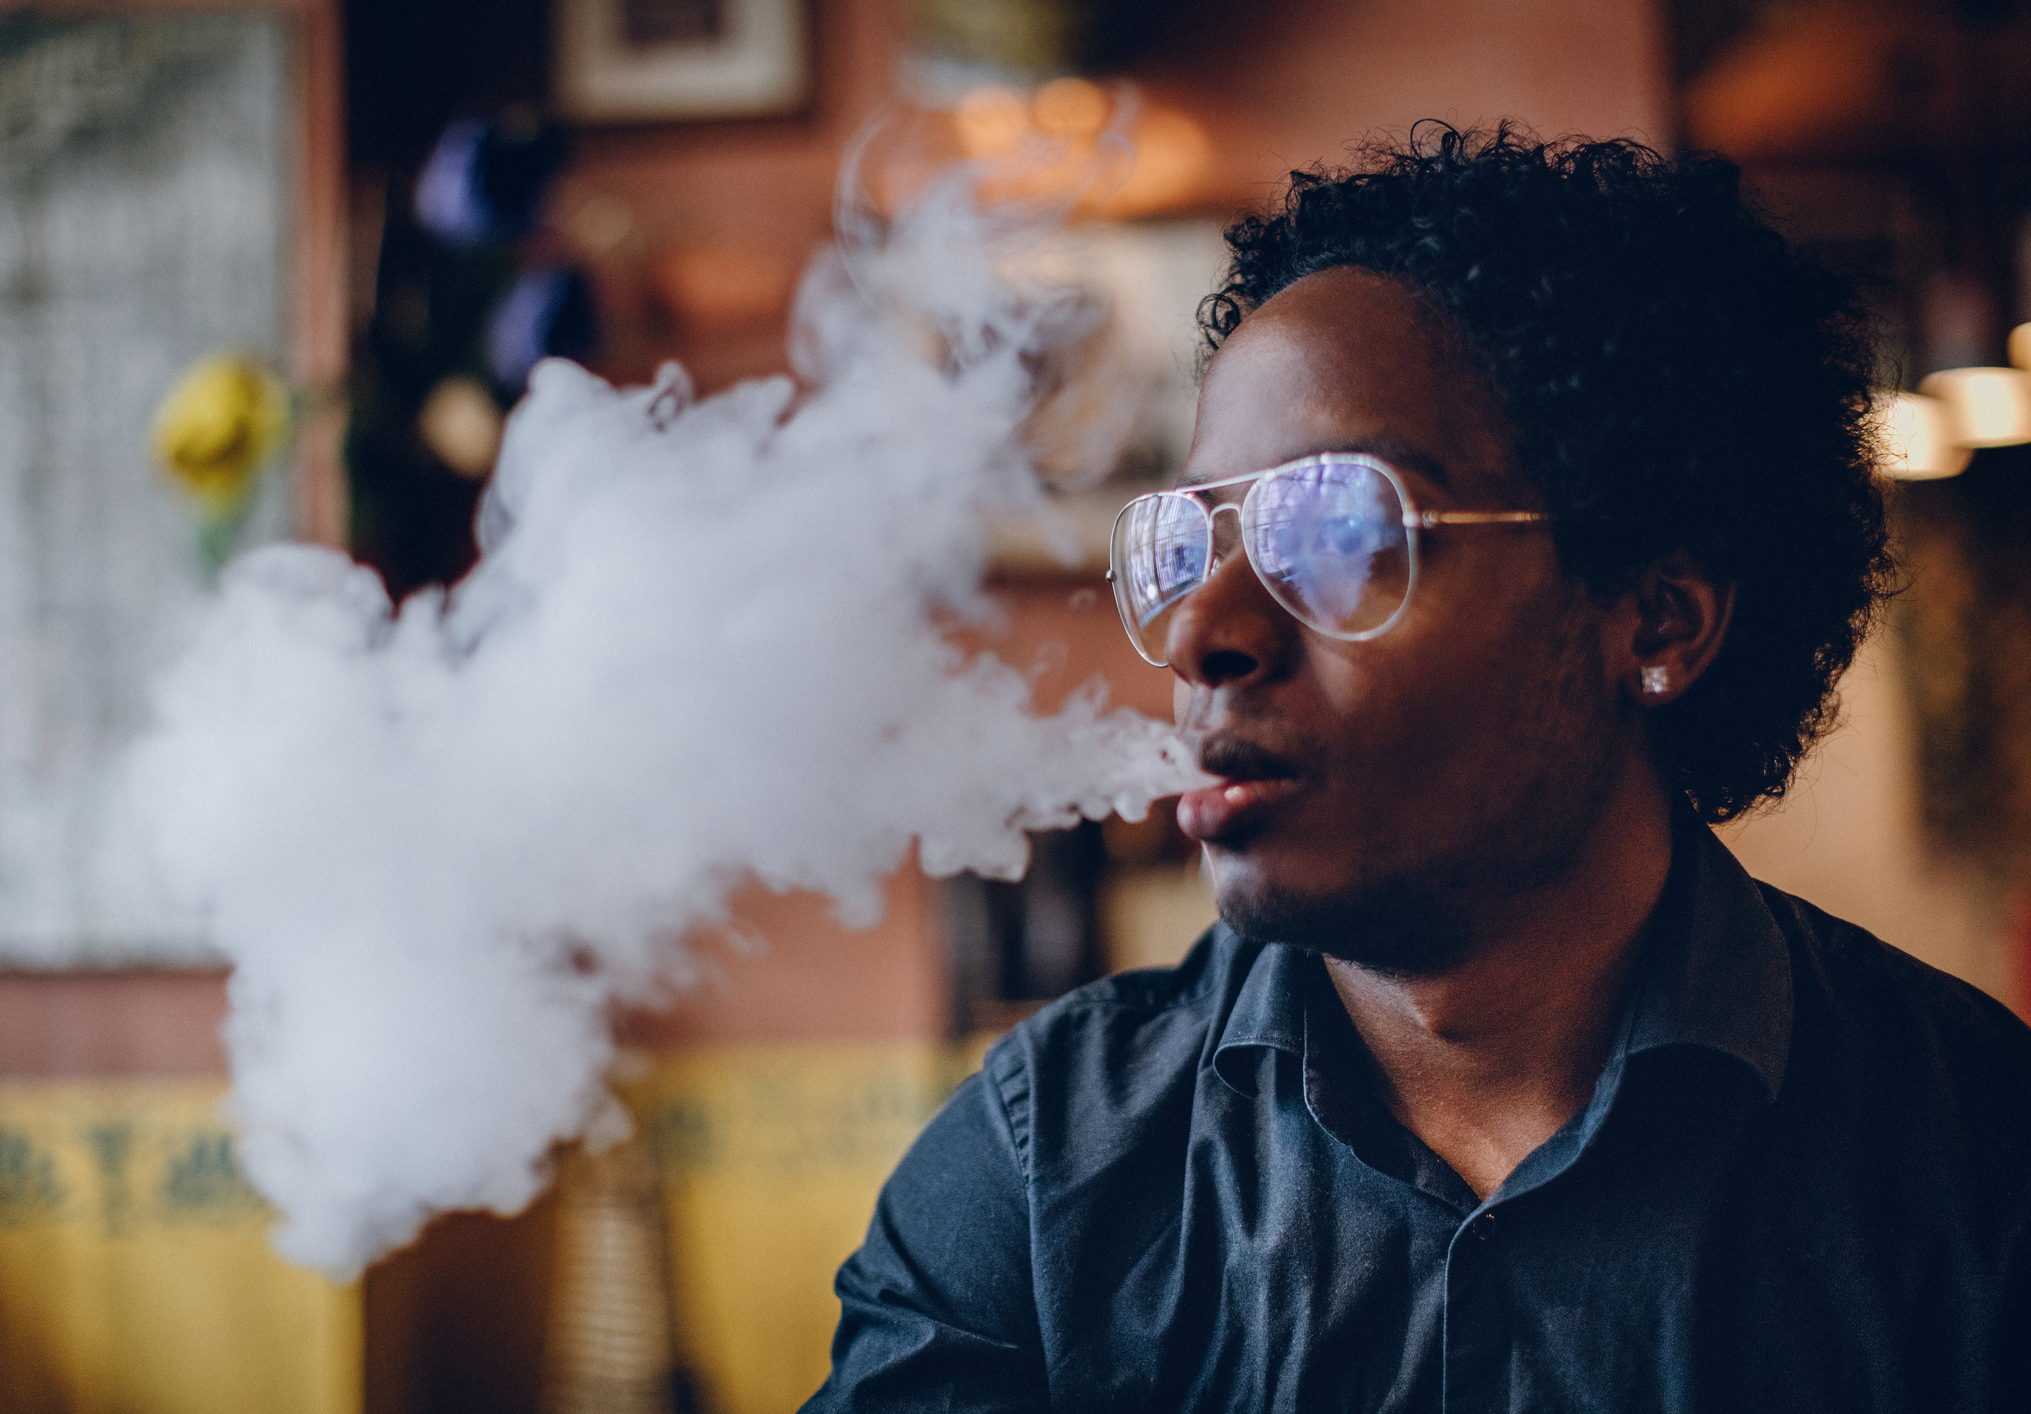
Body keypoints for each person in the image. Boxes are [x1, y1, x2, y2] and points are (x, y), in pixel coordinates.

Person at [801, 126, 2031, 1412]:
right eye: (1186, 545)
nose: (1203, 632)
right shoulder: (1041, 1172)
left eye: (1339, 530)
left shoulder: (1977, 1165)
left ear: (1657, 622)